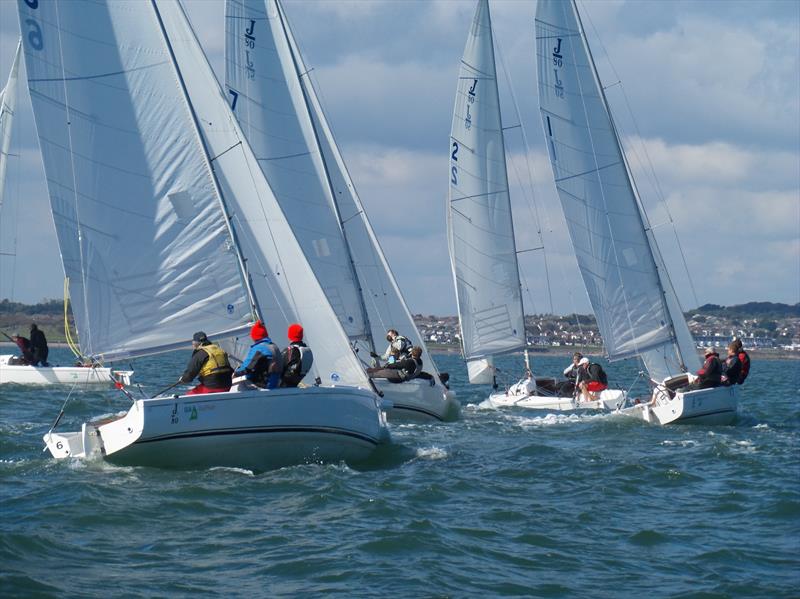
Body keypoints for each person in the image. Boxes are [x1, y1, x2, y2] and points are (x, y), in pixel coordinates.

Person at [234, 321, 282, 389]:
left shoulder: (259, 348)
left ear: (254, 336)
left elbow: (247, 367)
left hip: (264, 386)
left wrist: (235, 373)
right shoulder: (274, 346)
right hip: (276, 384)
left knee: (238, 385)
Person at [280, 323, 313, 388]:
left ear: (289, 335)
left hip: (283, 385)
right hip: (296, 382)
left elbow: (279, 366)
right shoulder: (307, 350)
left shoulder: (290, 350)